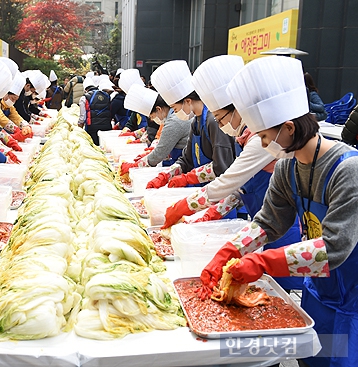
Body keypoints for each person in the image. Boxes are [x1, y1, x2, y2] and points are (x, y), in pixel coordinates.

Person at [201, 56, 358, 367]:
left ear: (288, 127)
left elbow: (334, 248)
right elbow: (268, 222)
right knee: (311, 358)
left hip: (352, 299)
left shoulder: (348, 170)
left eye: (263, 135)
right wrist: (229, 250)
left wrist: (261, 261)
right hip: (318, 291)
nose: (262, 143)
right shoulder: (287, 167)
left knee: (338, 359)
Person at [158, 55, 301, 291]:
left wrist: (187, 205)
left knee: (285, 290)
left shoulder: (261, 144)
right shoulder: (249, 138)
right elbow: (242, 192)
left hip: (286, 235)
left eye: (221, 118)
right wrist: (213, 215)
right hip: (265, 224)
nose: (219, 124)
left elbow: (228, 180)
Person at [146, 60, 237, 191]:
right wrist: (167, 174)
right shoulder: (195, 122)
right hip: (201, 189)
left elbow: (222, 167)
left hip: (219, 193)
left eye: (175, 109)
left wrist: (188, 178)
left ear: (187, 101)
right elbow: (186, 159)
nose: (175, 113)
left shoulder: (214, 121)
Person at [119, 84, 190, 175]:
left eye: (152, 116)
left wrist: (134, 166)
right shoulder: (171, 118)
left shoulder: (173, 122)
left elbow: (159, 154)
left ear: (159, 109)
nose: (152, 120)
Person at [0, 71, 33, 142]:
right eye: (12, 98)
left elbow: (15, 116)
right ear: (6, 94)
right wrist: (15, 129)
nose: (13, 102)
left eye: (15, 100)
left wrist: (25, 125)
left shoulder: (9, 106)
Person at [77, 76, 112, 145]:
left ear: (85, 89)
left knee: (95, 147)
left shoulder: (84, 98)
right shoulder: (106, 95)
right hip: (106, 126)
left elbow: (82, 116)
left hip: (92, 127)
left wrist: (79, 127)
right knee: (105, 146)